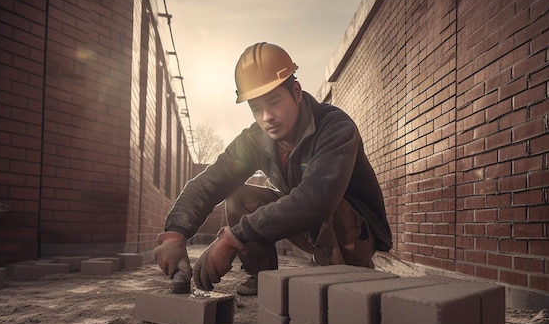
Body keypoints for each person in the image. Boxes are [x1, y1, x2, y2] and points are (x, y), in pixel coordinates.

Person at [154, 42, 392, 295]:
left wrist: (232, 238)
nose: (267, 116)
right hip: (309, 226)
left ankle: (343, 276)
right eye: (257, 108)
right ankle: (262, 276)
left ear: (297, 92)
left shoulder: (335, 127)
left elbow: (315, 202)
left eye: (274, 101)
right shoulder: (254, 140)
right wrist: (175, 233)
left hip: (352, 231)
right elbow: (209, 183)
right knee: (238, 197)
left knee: (327, 208)